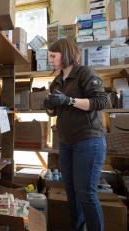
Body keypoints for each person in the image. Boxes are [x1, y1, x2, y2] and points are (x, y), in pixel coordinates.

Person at [44, 38, 107, 231]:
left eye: (54, 56)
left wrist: (69, 100)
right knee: (71, 193)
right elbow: (54, 112)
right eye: (50, 56)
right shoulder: (57, 81)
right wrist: (49, 107)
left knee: (86, 194)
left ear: (66, 53)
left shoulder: (84, 73)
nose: (51, 59)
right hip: (66, 142)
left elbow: (101, 101)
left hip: (88, 141)